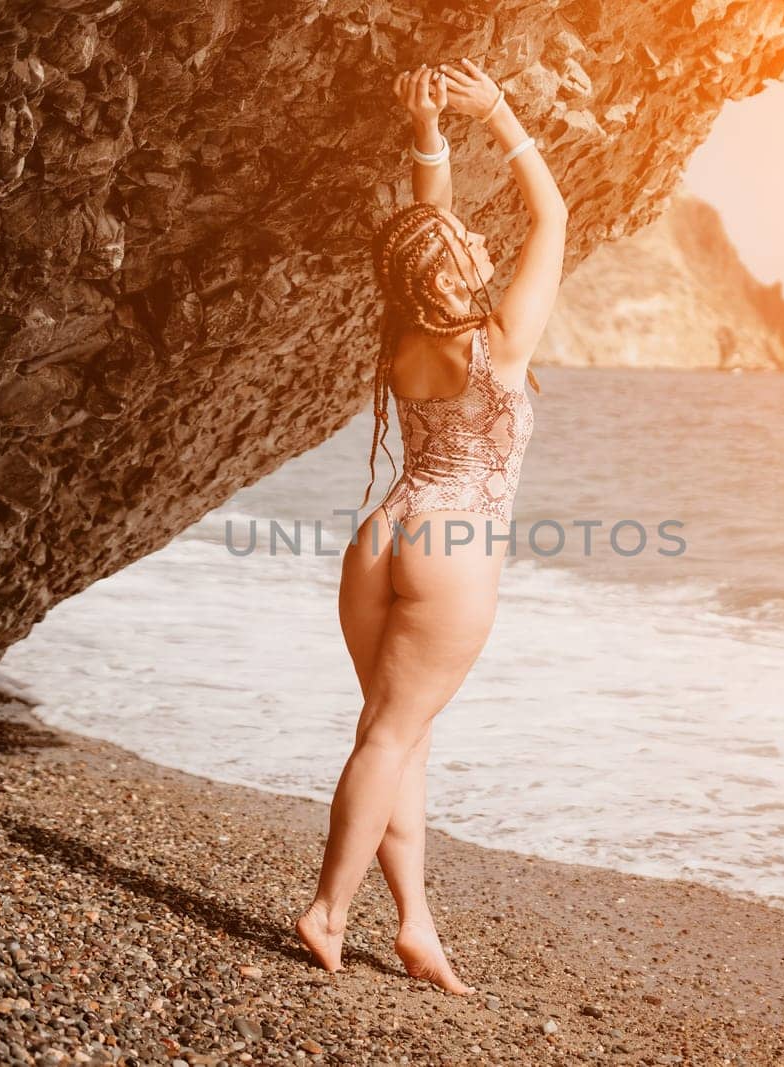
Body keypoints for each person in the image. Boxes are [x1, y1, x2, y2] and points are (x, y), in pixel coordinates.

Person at [295, 57, 568, 994]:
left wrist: (429, 139)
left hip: (384, 530)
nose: (476, 239)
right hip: (452, 547)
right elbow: (554, 217)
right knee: (389, 736)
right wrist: (499, 114)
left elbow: (424, 233)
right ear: (453, 268)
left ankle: (414, 925)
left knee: (394, 732)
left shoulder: (407, 328)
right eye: (463, 240)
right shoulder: (499, 342)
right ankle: (328, 909)